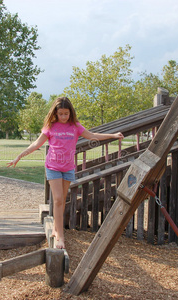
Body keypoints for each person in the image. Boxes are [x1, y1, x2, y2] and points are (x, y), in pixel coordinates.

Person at [7, 97, 124, 249]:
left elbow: (92, 135)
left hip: (68, 168)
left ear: (70, 113)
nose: (63, 117)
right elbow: (36, 144)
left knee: (62, 200)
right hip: (53, 167)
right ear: (55, 113)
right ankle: (60, 236)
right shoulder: (50, 126)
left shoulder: (75, 126)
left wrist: (113, 136)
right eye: (60, 114)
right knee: (57, 199)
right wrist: (19, 156)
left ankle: (56, 227)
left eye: (66, 114)